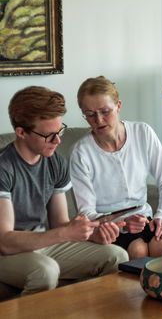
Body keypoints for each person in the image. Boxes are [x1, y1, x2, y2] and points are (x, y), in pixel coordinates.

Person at [0, 86, 128, 296]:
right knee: (45, 272)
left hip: (43, 245)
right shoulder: (4, 168)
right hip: (7, 253)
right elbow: (4, 242)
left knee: (117, 256)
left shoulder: (55, 162)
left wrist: (92, 233)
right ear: (21, 132)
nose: (58, 141)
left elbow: (60, 223)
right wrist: (64, 233)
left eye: (59, 131)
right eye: (49, 135)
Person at [70, 76, 162, 259]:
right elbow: (87, 212)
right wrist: (123, 223)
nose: (98, 120)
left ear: (118, 106)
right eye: (89, 114)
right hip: (110, 228)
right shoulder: (81, 153)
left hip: (146, 219)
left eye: (105, 111)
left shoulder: (142, 133)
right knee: (138, 251)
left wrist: (161, 215)